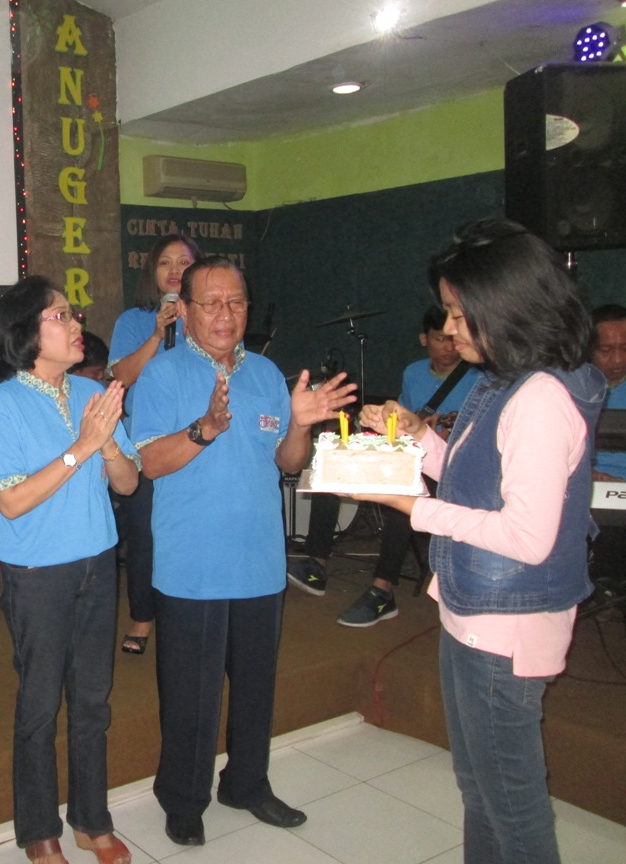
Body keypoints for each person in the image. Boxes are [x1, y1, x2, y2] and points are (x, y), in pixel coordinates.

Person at [357, 219, 602, 864]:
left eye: (461, 313)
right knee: (480, 788)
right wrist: (419, 436)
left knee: (512, 807)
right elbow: (478, 477)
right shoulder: (507, 377)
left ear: (507, 307)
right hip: (477, 612)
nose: (450, 328)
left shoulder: (540, 397)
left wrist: (415, 508)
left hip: (506, 626)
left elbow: (526, 535)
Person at [130, 256, 356, 846]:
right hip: (192, 566)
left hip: (259, 561)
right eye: (211, 303)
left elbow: (288, 462)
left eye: (236, 302)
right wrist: (203, 428)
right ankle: (184, 798)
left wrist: (300, 424)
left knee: (256, 687)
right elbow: (148, 462)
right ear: (184, 311)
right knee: (191, 696)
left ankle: (247, 783)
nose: (225, 314)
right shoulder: (162, 375)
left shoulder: (266, 373)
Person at [0, 276, 140, 864]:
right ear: (25, 332)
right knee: (41, 703)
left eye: (73, 315)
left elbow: (128, 483)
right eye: (61, 316)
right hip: (36, 572)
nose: (76, 325)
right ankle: (39, 829)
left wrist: (108, 443)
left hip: (97, 561)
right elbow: (11, 501)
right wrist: (82, 446)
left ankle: (92, 819)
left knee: (93, 699)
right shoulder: (1, 404)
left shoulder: (91, 392)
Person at [287, 305, 480, 626]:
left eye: (452, 338)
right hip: (411, 451)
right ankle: (315, 563)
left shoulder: (478, 376)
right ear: (424, 339)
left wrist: (446, 428)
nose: (448, 346)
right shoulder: (414, 373)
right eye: (439, 339)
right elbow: (403, 417)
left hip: (449, 463)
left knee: (402, 498)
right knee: (335, 474)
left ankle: (383, 589)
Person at [108, 233, 202, 654]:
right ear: (153, 272)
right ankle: (142, 616)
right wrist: (156, 334)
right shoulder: (133, 320)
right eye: (166, 262)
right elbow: (122, 378)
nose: (175, 269)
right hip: (144, 444)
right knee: (144, 535)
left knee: (194, 527)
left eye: (184, 261)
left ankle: (193, 606)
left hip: (197, 441)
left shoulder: (208, 317)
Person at [586, 304, 626, 598]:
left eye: (625, 349)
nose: (618, 360)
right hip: (584, 486)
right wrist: (588, 473)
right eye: (606, 350)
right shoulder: (570, 389)